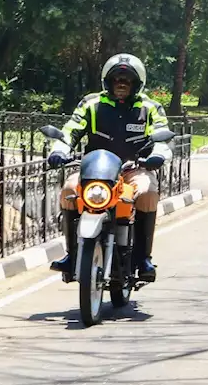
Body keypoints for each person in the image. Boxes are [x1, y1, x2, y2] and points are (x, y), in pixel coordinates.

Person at [47, 54, 171, 283]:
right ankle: (72, 254)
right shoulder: (91, 104)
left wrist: (158, 156)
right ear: (108, 81)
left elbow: (162, 138)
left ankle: (143, 257)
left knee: (147, 193)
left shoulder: (150, 108)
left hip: (133, 170)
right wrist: (58, 151)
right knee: (68, 190)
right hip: (95, 171)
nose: (121, 84)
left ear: (137, 84)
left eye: (127, 80)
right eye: (117, 79)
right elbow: (70, 131)